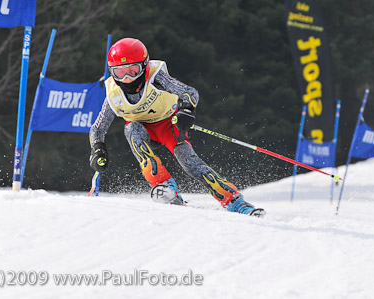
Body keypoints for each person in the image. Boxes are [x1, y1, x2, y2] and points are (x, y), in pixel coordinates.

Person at [89, 38, 265, 217]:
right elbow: (97, 128)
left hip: (169, 125)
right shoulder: (113, 93)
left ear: (144, 66)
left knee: (190, 164)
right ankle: (164, 185)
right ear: (113, 73)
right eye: (120, 73)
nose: (127, 79)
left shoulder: (155, 76)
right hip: (143, 130)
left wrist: (186, 110)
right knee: (131, 129)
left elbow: (190, 93)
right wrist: (97, 147)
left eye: (133, 71)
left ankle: (235, 201)